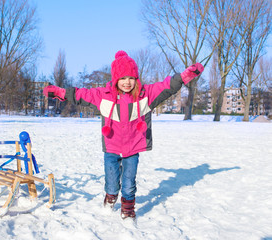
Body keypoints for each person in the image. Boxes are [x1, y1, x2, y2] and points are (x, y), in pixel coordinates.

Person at [43, 50, 204, 220]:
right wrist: (61, 93)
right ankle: (111, 197)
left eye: (131, 78)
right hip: (112, 147)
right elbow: (81, 94)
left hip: (133, 148)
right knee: (112, 183)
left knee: (129, 183)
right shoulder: (102, 96)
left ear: (136, 78)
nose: (127, 82)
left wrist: (185, 76)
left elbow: (166, 87)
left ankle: (127, 208)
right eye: (123, 78)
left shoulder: (145, 95)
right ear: (115, 79)